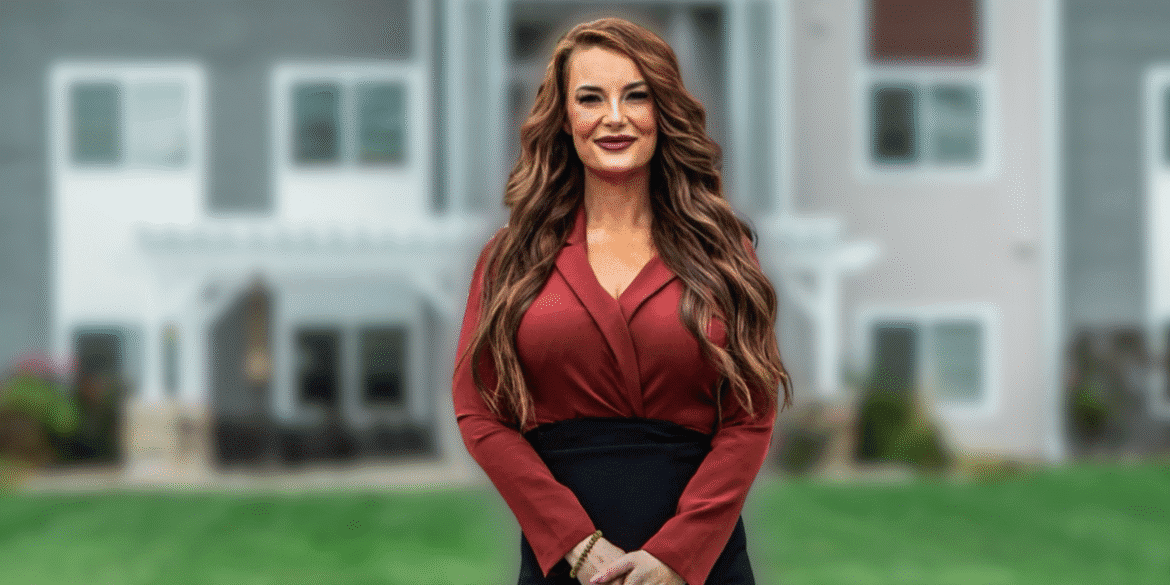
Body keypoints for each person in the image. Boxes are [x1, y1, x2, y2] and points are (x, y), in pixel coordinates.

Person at [452, 17, 793, 585]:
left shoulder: (721, 252)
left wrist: (676, 557)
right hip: (566, 564)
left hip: (701, 565)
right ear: (564, 118)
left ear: (663, 111)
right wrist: (578, 546)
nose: (614, 117)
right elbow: (479, 413)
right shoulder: (509, 258)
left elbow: (751, 415)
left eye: (636, 96)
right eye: (591, 98)